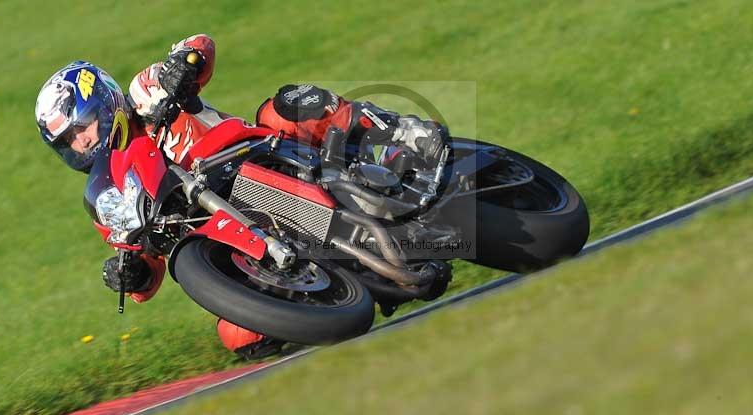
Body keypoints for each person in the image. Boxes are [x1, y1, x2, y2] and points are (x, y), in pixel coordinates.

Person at [35, 34, 446, 356]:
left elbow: (200, 46)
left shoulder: (144, 93)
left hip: (257, 156)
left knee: (284, 106)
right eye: (67, 142)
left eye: (80, 128)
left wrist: (183, 67)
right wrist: (132, 275)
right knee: (240, 335)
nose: (80, 143)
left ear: (103, 104)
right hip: (236, 232)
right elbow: (146, 263)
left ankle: (400, 133)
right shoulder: (109, 190)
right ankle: (343, 289)